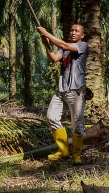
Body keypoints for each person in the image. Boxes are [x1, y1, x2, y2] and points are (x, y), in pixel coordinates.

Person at [37, 22, 88, 164]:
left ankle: (77, 155)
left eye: (76, 31)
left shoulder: (82, 46)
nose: (72, 32)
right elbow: (53, 58)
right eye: (71, 30)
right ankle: (63, 151)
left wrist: (46, 33)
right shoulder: (65, 50)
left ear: (82, 35)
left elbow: (65, 46)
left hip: (75, 91)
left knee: (77, 123)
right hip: (61, 90)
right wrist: (45, 43)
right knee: (51, 117)